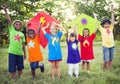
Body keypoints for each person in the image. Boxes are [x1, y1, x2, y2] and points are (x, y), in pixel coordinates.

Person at [1, 4, 26, 80]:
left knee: (20, 66)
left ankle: (20, 77)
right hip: (12, 52)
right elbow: (8, 20)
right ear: (14, 25)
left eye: (19, 24)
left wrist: (25, 54)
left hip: (20, 53)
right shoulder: (11, 30)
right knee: (12, 66)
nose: (18, 25)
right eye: (16, 24)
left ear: (21, 26)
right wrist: (5, 10)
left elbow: (23, 45)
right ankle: (13, 78)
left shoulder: (22, 34)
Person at [93, 5, 115, 71]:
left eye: (108, 24)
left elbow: (113, 20)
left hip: (112, 46)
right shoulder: (102, 29)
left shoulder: (111, 28)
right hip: (105, 46)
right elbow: (97, 23)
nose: (107, 25)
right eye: (105, 24)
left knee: (110, 60)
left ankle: (110, 70)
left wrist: (112, 12)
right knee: (106, 60)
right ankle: (104, 70)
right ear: (103, 25)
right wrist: (95, 16)